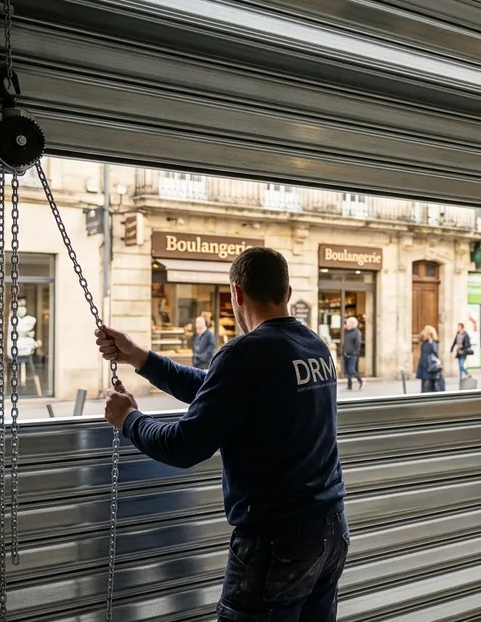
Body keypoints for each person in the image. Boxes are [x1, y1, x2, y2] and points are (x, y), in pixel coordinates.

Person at [95, 247, 348, 621]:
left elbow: (184, 446)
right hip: (330, 531)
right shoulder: (316, 347)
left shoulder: (245, 353)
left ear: (237, 294)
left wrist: (129, 419)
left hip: (276, 544)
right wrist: (140, 358)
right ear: (288, 292)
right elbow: (220, 390)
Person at [415, 325, 444, 392]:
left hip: (425, 367)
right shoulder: (431, 343)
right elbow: (434, 354)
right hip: (430, 368)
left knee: (425, 388)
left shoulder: (424, 343)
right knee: (429, 389)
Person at [341, 317, 364, 390]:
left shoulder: (357, 332)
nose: (346, 325)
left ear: (352, 324)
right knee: (348, 371)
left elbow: (358, 343)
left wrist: (356, 352)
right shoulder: (347, 332)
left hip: (352, 354)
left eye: (347, 323)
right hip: (346, 353)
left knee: (351, 369)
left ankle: (360, 380)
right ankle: (349, 385)